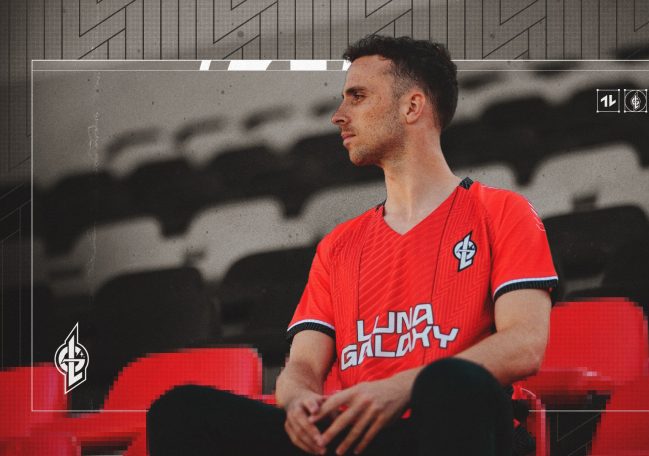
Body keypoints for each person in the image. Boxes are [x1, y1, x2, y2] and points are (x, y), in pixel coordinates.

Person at [147, 35, 558, 456]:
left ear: (412, 107)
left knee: (450, 381)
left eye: (357, 97)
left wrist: (402, 388)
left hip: (448, 428)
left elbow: (525, 344)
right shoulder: (339, 245)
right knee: (180, 410)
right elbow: (302, 365)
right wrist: (299, 400)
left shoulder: (501, 211)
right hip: (355, 439)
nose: (338, 116)